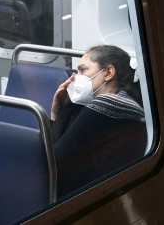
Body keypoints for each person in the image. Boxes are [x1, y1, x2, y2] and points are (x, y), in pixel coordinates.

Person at [50, 45, 146, 197]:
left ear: (108, 73)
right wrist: (58, 110)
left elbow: (53, 159)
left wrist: (60, 112)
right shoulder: (124, 101)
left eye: (83, 70)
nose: (75, 77)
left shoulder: (109, 104)